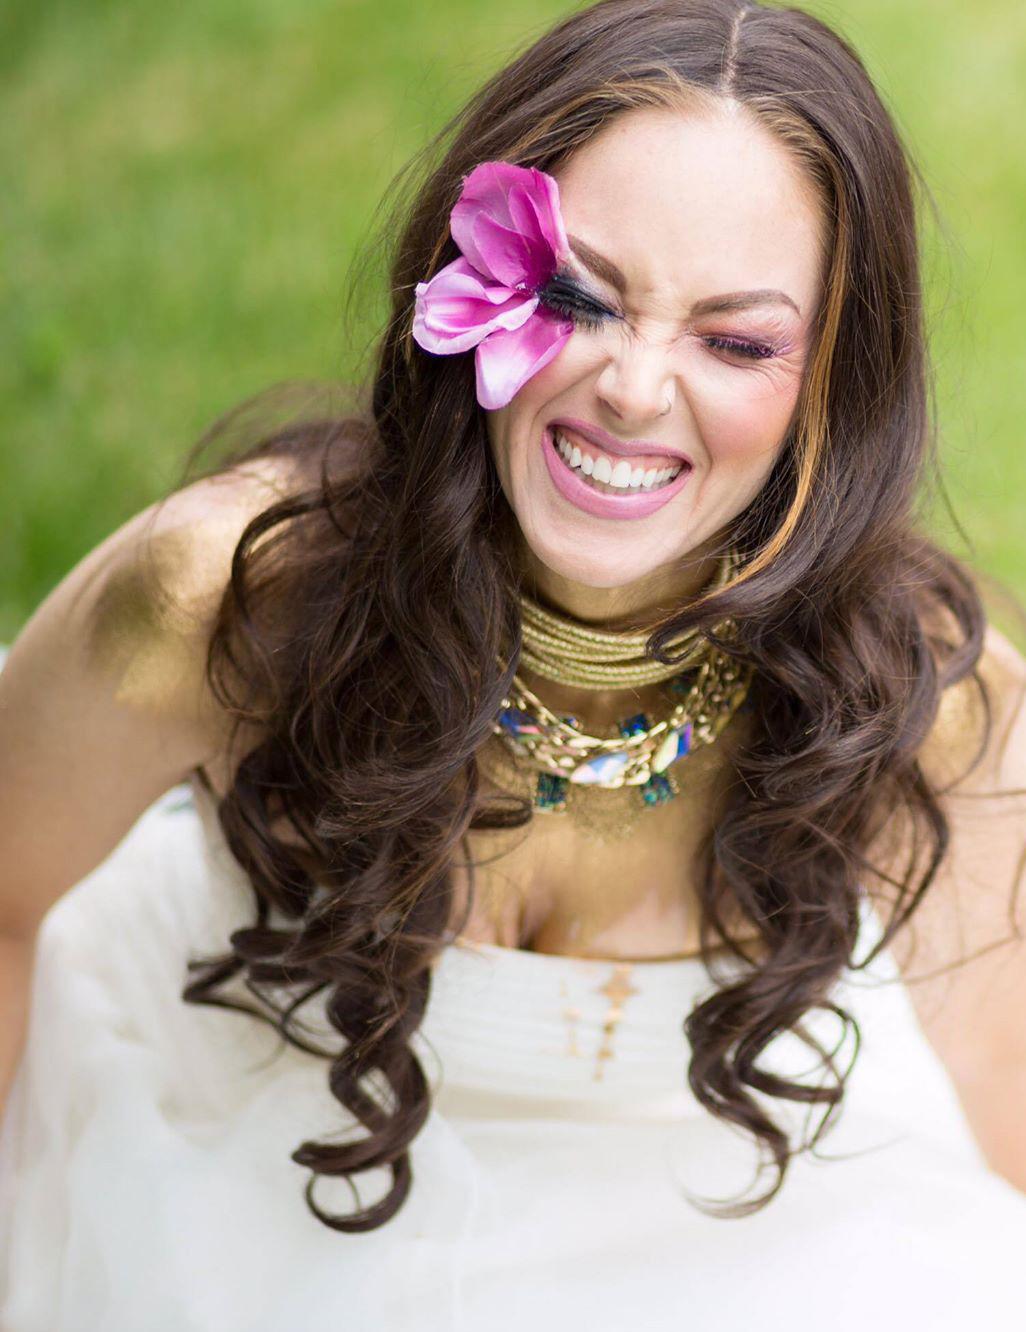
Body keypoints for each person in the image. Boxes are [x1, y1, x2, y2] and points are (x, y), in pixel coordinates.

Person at [2, 0, 1026, 1327]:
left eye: (734, 342)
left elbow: (1005, 1104)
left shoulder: (924, 706)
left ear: (838, 377)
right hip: (232, 1205)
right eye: (575, 295)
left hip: (712, 1253)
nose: (633, 389)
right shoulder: (227, 599)